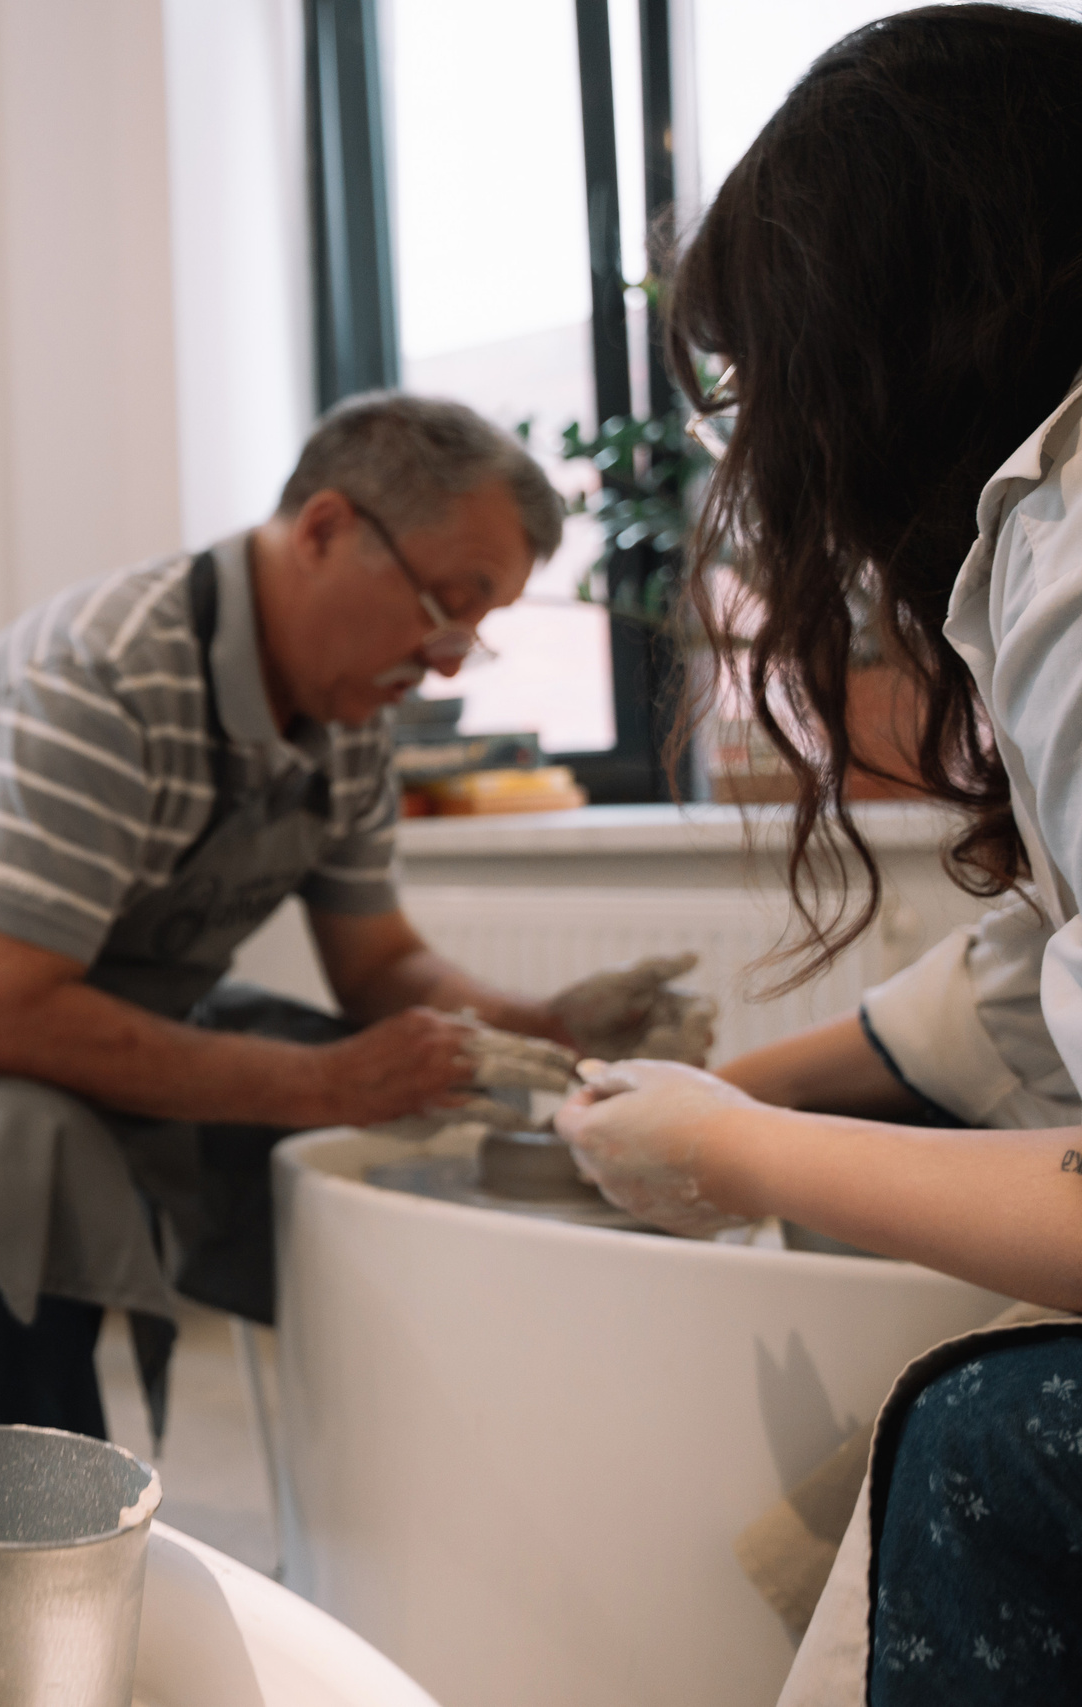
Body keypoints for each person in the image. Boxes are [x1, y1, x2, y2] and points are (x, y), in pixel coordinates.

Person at [0, 392, 687, 1436]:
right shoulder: (105, 675)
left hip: (111, 1005)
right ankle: (25, 1538)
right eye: (445, 604)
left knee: (414, 1101)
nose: (446, 659)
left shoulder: (348, 709)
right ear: (323, 530)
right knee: (29, 1145)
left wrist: (547, 1025)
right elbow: (5, 1018)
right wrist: (320, 1082)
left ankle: (398, 1482)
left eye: (472, 632)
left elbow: (379, 966)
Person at [545, 9, 1082, 1703]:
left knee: (963, 1423)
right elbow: (1021, 981)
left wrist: (743, 1150)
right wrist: (719, 1087)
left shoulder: (1068, 559)